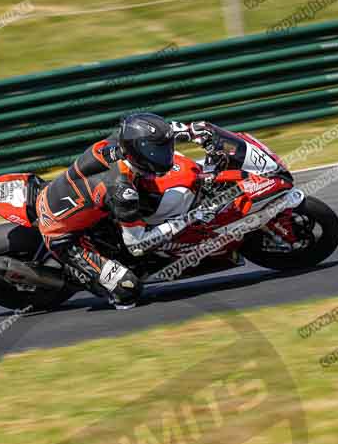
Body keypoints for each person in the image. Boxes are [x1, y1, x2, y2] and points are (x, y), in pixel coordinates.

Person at [35, 112, 215, 309]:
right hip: (65, 237)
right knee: (128, 288)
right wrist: (190, 218)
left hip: (70, 199)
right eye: (157, 151)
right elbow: (138, 245)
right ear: (139, 153)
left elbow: (157, 132)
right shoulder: (121, 190)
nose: (165, 155)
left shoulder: (122, 140)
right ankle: (87, 278)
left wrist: (191, 130)